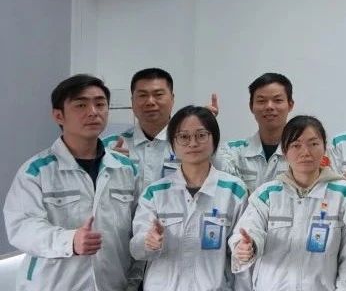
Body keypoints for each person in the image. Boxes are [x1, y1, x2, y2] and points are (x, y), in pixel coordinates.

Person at [4, 74, 141, 290]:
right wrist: (70, 241)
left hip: (113, 284)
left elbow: (138, 230)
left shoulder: (126, 168)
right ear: (59, 115)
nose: (93, 112)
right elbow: (22, 228)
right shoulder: (36, 171)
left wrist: (134, 282)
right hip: (53, 285)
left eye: (100, 104)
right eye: (81, 105)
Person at [230, 115, 346, 290]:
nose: (305, 152)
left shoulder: (344, 195)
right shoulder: (267, 194)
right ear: (284, 151)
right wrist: (246, 246)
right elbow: (249, 230)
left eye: (313, 144)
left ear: (324, 147)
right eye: (296, 145)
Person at [130, 105, 248, 291]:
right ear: (173, 144)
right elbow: (136, 250)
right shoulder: (155, 193)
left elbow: (240, 254)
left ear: (214, 139)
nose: (193, 143)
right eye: (184, 137)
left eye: (201, 135)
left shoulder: (234, 190)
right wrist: (148, 241)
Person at [106, 68, 221, 186]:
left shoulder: (192, 142)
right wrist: (107, 164)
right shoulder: (111, 146)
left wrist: (205, 129)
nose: (150, 102)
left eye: (158, 95)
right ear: (132, 101)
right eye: (142, 95)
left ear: (172, 99)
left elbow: (220, 176)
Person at [220, 73, 295, 192]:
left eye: (277, 100)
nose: (269, 106)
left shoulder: (303, 153)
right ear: (251, 107)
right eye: (261, 101)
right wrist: (205, 125)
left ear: (290, 105)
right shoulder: (233, 152)